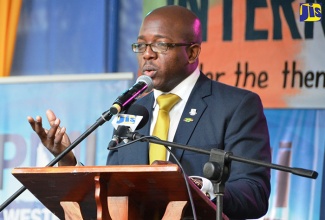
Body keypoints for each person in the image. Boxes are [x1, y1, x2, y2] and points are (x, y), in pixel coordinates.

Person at [27, 5, 271, 219]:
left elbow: (254, 193)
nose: (147, 53)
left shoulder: (236, 106)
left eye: (160, 44)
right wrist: (67, 162)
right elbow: (113, 189)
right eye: (141, 44)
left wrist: (200, 188)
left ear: (192, 53)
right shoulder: (133, 109)